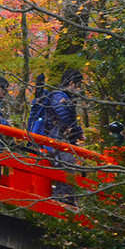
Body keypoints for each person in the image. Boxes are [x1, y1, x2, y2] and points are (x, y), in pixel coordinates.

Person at [45, 68, 84, 204]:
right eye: (78, 85)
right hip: (60, 141)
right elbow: (64, 119)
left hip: (63, 140)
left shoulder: (62, 96)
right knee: (65, 176)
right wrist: (77, 131)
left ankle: (64, 205)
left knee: (66, 177)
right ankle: (62, 207)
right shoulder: (59, 96)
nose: (78, 89)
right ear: (72, 83)